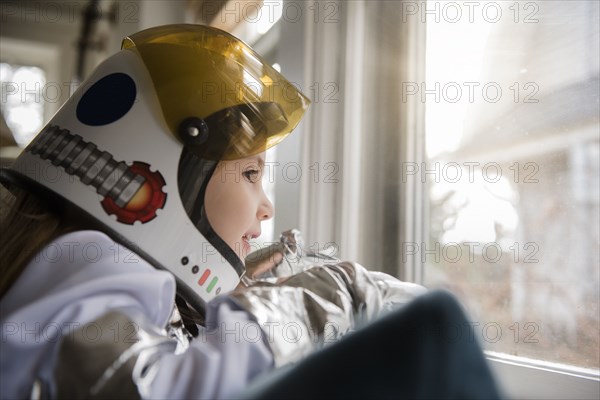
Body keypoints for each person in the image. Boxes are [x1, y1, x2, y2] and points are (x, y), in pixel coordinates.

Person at [0, 24, 501, 399]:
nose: (266, 207)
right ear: (155, 178)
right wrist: (329, 295)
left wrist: (218, 306)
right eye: (250, 174)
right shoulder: (90, 259)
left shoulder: (63, 266)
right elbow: (145, 390)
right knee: (437, 327)